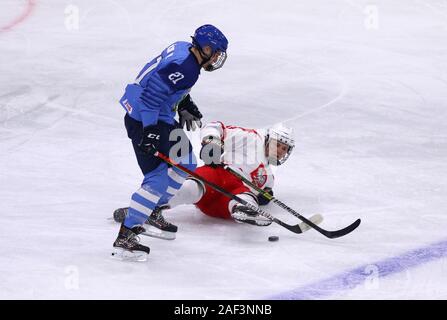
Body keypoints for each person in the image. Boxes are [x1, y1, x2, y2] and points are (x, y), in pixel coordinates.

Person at [112, 25, 229, 261]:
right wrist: (151, 132)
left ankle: (153, 210)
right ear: (205, 48)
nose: (217, 58)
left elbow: (164, 84)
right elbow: (150, 97)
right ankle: (126, 236)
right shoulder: (185, 66)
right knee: (157, 179)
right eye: (215, 52)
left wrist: (184, 103)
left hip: (160, 116)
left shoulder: (186, 54)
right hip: (146, 119)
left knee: (186, 162)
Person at [113, 121, 295, 231]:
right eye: (279, 145)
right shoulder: (250, 138)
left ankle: (243, 210)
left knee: (246, 197)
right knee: (191, 188)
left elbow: (264, 193)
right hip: (217, 175)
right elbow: (216, 126)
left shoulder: (269, 176)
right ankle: (140, 210)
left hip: (224, 204)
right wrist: (212, 142)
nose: (280, 151)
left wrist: (264, 197)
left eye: (285, 149)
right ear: (269, 138)